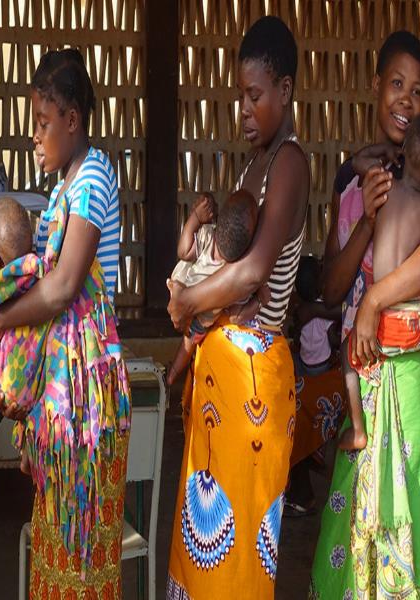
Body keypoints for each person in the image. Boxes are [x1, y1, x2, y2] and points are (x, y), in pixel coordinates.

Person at [164, 16, 309, 599]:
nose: (244, 111)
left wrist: (188, 303)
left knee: (238, 555)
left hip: (254, 384)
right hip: (224, 376)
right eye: (240, 97)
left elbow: (251, 272)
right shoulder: (253, 167)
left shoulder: (290, 164)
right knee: (207, 544)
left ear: (286, 91)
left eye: (254, 96)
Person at [0, 49, 130, 599]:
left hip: (86, 399)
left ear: (72, 120)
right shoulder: (66, 187)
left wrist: (0, 318)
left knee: (81, 550)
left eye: (44, 124)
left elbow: (64, 286)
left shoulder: (91, 178)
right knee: (60, 546)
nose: (35, 137)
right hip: (66, 396)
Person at [309, 31, 420, 598]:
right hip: (362, 381)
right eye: (396, 84)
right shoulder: (352, 184)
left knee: (409, 518)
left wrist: (374, 301)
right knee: (355, 517)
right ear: (375, 87)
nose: (405, 100)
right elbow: (328, 288)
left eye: (417, 91)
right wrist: (367, 221)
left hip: (407, 369)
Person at [337, 108, 420, 451]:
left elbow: (356, 163)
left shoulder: (384, 187)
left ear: (404, 152)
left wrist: (387, 154)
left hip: (379, 323)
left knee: (347, 356)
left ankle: (359, 428)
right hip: (410, 322)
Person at [166, 189, 269, 386]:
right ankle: (173, 373)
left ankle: (171, 373)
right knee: (188, 344)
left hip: (179, 287)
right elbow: (236, 316)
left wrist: (196, 217)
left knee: (182, 272)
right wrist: (259, 301)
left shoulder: (206, 235)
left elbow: (183, 250)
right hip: (203, 319)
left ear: (218, 221)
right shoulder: (234, 275)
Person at [283, 255, 343, 518]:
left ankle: (301, 491)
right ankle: (297, 485)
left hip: (336, 375)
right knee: (287, 403)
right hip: (326, 370)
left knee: (296, 408)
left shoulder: (316, 306)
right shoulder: (313, 304)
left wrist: (314, 312)